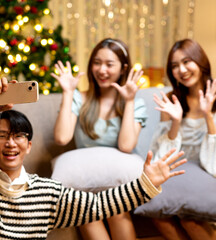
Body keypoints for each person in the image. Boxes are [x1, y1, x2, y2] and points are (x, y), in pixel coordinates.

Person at [0, 77, 187, 240]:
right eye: (1, 136)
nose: (10, 143)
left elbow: (98, 205)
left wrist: (145, 183)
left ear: (28, 146)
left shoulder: (46, 193)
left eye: (18, 136)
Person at [51, 38, 147, 240]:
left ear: (123, 69)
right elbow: (61, 138)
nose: (102, 70)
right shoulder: (80, 98)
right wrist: (68, 93)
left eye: (109, 64)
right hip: (85, 183)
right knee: (85, 211)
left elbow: (126, 145)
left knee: (117, 209)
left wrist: (128, 102)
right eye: (97, 63)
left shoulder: (135, 104)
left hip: (120, 183)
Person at [145, 39, 216, 240]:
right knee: (154, 208)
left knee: (190, 218)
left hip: (211, 168)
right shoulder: (171, 100)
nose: (182, 70)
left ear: (201, 62)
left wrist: (208, 116)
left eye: (187, 62)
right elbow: (162, 158)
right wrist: (176, 122)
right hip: (178, 169)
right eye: (175, 66)